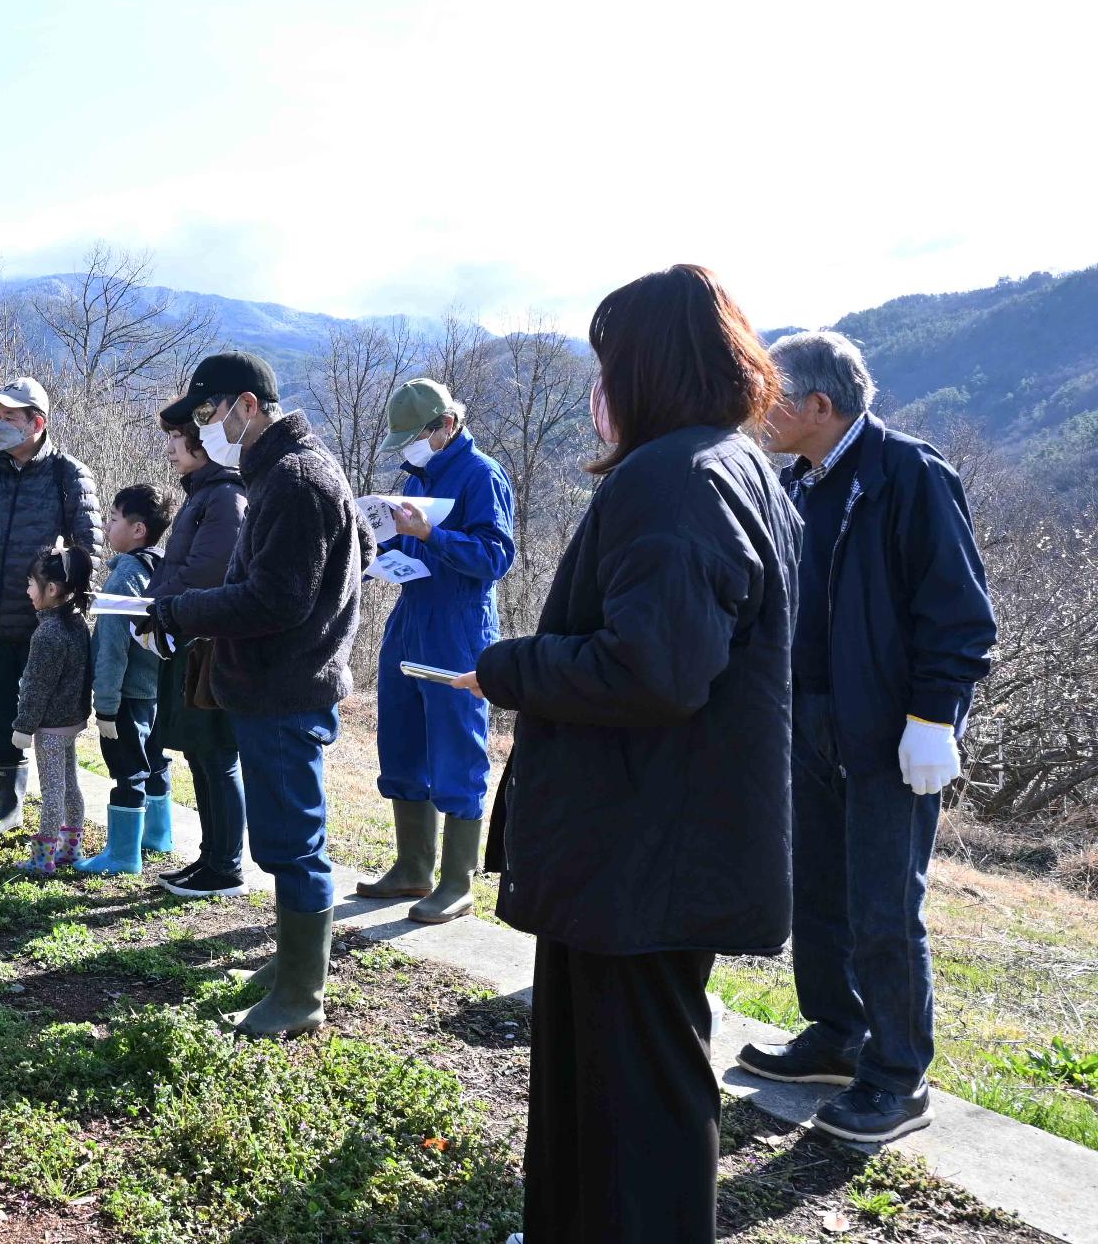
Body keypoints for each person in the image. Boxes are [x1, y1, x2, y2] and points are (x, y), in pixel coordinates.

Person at [455, 264, 800, 1243]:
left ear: (644, 368)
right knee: (591, 1077)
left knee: (637, 1096)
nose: (594, 391)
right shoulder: (730, 467)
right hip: (644, 843)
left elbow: (656, 669)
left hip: (643, 847)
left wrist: (510, 667)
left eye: (604, 365)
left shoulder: (676, 481)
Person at [738, 332, 997, 1142]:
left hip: (892, 729)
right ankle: (836, 1035)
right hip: (809, 720)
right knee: (818, 889)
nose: (760, 412)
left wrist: (934, 716)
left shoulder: (908, 474)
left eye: (772, 396)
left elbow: (959, 613)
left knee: (886, 905)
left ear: (819, 405)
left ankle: (897, 1075)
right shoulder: (801, 482)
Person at [140, 351, 373, 1036]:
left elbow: (277, 598)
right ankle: (293, 965)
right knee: (288, 839)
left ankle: (302, 995)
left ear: (248, 404)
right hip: (281, 681)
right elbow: (358, 542)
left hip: (284, 687)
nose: (208, 427)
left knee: (293, 846)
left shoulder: (297, 478)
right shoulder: (287, 469)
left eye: (211, 413)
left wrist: (183, 610)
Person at [358, 378, 516, 925]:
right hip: (411, 618)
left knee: (456, 745)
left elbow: (495, 557)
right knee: (401, 738)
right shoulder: (419, 476)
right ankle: (411, 867)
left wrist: (432, 537)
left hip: (458, 627)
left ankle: (457, 882)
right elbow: (408, 541)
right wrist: (379, 545)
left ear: (446, 425)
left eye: (414, 437)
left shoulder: (481, 475)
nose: (408, 449)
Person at [0, 378, 104, 834]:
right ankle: (9, 803)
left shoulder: (69, 475)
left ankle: (61, 814)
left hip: (46, 627)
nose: (0, 424)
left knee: (52, 721)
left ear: (37, 422)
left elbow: (88, 549)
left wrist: (65, 599)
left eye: (10, 416)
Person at [146, 410, 249, 899]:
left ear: (203, 443)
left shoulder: (226, 497)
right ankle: (210, 857)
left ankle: (226, 866)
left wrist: (158, 606)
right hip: (190, 638)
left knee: (217, 755)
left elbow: (207, 571)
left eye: (177, 438)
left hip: (210, 645)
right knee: (200, 754)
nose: (169, 447)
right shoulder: (204, 495)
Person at [75, 485, 176, 875]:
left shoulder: (124, 579)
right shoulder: (164, 567)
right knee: (155, 760)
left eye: (114, 518)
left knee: (126, 769)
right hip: (155, 691)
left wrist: (106, 706)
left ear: (138, 530)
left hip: (128, 694)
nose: (107, 523)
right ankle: (158, 835)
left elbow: (113, 648)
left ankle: (122, 855)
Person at [9, 544, 95, 873]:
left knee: (53, 790)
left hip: (50, 728)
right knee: (70, 785)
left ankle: (42, 858)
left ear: (52, 589)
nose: (28, 590)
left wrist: (23, 727)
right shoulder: (77, 623)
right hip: (72, 721)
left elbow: (35, 686)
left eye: (31, 583)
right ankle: (71, 848)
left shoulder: (48, 633)